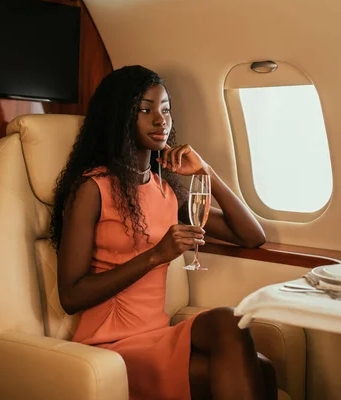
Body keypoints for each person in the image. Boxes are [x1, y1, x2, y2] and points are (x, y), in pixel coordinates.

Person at [51, 65, 277, 400]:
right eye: (145, 110)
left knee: (234, 323)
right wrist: (156, 255)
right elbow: (71, 296)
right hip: (111, 346)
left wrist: (206, 171)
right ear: (119, 118)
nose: (161, 120)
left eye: (166, 109)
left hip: (156, 332)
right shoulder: (92, 189)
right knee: (256, 371)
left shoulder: (165, 190)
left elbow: (250, 235)